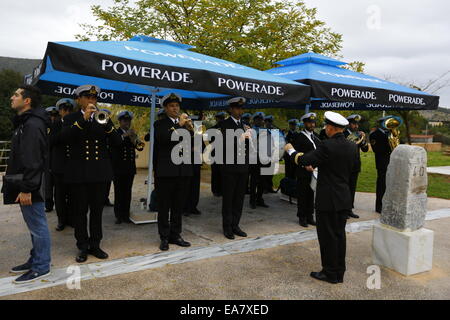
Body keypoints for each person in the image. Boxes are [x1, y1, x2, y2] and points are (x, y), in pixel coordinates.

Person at [285, 111, 358, 284]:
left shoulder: (326, 146)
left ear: (332, 128)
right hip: (344, 197)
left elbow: (304, 160)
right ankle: (339, 271)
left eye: (326, 126)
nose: (324, 128)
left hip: (328, 200)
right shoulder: (352, 146)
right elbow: (352, 170)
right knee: (339, 236)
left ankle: (329, 272)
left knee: (327, 238)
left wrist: (291, 150)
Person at [60, 85, 122, 263]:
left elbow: (117, 142)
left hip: (99, 173)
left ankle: (95, 244)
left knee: (97, 211)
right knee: (80, 211)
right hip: (78, 172)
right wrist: (83, 119)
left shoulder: (103, 118)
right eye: (87, 97)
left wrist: (108, 124)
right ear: (79, 99)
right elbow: (64, 138)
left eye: (94, 98)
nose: (91, 101)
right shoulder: (71, 118)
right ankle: (82, 246)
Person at [3, 85, 52, 283]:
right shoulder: (27, 123)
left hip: (30, 185)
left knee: (38, 226)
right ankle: (36, 260)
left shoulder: (32, 125)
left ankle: (41, 266)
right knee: (34, 225)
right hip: (28, 183)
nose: (12, 98)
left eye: (16, 95)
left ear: (27, 100)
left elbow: (33, 159)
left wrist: (27, 189)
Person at [153, 93, 193, 251]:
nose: (175, 108)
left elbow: (194, 146)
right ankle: (164, 237)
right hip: (166, 172)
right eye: (171, 106)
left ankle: (175, 234)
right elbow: (164, 139)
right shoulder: (160, 124)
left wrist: (190, 129)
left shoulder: (186, 124)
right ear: (165, 108)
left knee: (178, 206)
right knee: (164, 206)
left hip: (183, 171)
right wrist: (179, 126)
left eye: (177, 105)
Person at [219, 97, 250, 240]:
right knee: (229, 199)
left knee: (239, 199)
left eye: (242, 108)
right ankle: (227, 227)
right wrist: (241, 138)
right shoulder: (224, 124)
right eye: (237, 108)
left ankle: (236, 225)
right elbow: (223, 146)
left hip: (243, 167)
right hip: (229, 168)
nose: (240, 111)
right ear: (231, 109)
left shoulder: (244, 125)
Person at [112, 110, 144, 224]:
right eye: (124, 120)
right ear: (120, 121)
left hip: (129, 168)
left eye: (128, 120)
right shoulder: (115, 132)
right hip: (118, 168)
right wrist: (125, 135)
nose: (127, 123)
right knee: (119, 192)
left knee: (127, 192)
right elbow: (115, 143)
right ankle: (118, 215)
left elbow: (140, 147)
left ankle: (126, 215)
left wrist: (134, 138)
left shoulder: (132, 133)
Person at [50, 98, 76, 231]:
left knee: (72, 194)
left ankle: (71, 219)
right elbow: (51, 141)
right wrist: (64, 131)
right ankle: (61, 220)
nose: (66, 112)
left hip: (72, 165)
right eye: (64, 110)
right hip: (59, 165)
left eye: (69, 110)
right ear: (60, 111)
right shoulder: (55, 124)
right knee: (59, 195)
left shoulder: (76, 123)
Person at [292, 112, 321, 227]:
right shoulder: (299, 137)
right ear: (304, 123)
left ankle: (310, 216)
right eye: (309, 122)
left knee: (310, 195)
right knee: (302, 195)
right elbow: (294, 155)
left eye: (313, 122)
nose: (312, 124)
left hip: (314, 171)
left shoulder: (316, 137)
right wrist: (304, 166)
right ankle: (302, 217)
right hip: (303, 171)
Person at [344, 114, 369, 219]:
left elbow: (365, 149)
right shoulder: (343, 133)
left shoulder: (358, 134)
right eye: (354, 124)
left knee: (352, 188)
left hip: (355, 165)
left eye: (357, 124)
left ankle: (349, 209)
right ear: (349, 124)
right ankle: (343, 209)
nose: (356, 126)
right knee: (344, 188)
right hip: (345, 165)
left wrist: (364, 139)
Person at [369, 116, 393, 213]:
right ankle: (379, 207)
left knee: (389, 185)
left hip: (391, 162)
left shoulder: (390, 133)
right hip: (382, 163)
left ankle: (387, 204)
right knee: (381, 185)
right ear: (381, 123)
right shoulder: (374, 135)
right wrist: (388, 142)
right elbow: (377, 150)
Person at [249, 112, 269, 209]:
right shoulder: (251, 131)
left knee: (262, 181)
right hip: (254, 159)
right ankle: (252, 200)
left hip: (264, 159)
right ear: (254, 120)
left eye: (261, 119)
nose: (259, 121)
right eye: (257, 119)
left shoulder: (266, 131)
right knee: (254, 180)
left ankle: (260, 199)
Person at [44, 106, 59, 212]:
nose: (52, 118)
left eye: (55, 115)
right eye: (50, 116)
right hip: (46, 161)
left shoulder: (60, 127)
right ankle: (48, 205)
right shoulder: (42, 128)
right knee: (47, 186)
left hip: (57, 161)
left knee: (59, 189)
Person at [210, 111, 226, 197]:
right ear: (216, 119)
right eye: (219, 118)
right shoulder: (212, 129)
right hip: (215, 154)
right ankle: (215, 190)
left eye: (222, 118)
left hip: (224, 155)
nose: (221, 120)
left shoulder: (227, 128)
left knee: (223, 173)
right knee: (215, 173)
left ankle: (222, 190)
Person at [263, 115, 276, 193]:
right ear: (265, 122)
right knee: (265, 172)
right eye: (267, 121)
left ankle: (269, 187)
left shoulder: (274, 130)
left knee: (271, 172)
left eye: (270, 121)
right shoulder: (263, 131)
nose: (269, 123)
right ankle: (264, 188)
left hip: (273, 154)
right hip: (265, 155)